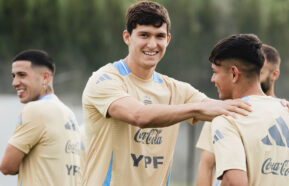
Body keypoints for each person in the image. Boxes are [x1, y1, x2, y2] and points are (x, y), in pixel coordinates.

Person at [81, 1, 252, 186]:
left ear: (168, 39)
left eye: (159, 36)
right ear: (127, 37)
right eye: (144, 35)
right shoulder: (105, 80)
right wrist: (195, 109)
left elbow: (224, 109)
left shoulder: (175, 89)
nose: (152, 44)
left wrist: (277, 108)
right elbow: (140, 115)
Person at [208, 34, 289, 186]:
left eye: (215, 72)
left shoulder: (228, 119)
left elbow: (236, 183)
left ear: (234, 73)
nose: (213, 79)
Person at [196, 44, 282, 186]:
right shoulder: (222, 112)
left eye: (260, 72)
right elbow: (206, 165)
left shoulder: (287, 114)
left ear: (275, 75)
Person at [0, 49, 81, 186]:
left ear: (45, 78)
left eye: (22, 75)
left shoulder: (35, 109)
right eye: (14, 76)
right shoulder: (68, 112)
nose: (15, 82)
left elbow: (7, 166)